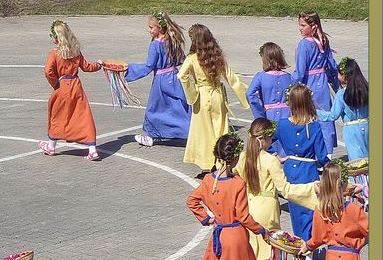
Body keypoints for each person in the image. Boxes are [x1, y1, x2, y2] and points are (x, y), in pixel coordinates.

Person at [236, 118, 318, 260]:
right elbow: (286, 190)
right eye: (271, 137)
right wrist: (311, 189)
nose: (273, 141)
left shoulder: (242, 157)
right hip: (266, 210)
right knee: (269, 255)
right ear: (265, 138)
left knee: (253, 254)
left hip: (248, 207)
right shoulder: (270, 160)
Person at [177, 24, 249, 177]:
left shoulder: (192, 58)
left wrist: (193, 92)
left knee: (204, 132)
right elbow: (232, 79)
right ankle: (221, 161)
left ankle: (208, 163)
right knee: (221, 129)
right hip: (217, 96)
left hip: (202, 97)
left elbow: (181, 76)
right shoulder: (217, 56)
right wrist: (246, 98)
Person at [278, 83, 330, 260]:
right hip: (308, 171)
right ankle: (309, 252)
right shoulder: (314, 127)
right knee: (310, 212)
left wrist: (277, 157)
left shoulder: (282, 124)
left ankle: (303, 251)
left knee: (297, 214)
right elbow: (322, 155)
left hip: (291, 172)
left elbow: (267, 140)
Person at [125, 11, 190, 147]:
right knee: (178, 106)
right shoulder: (172, 40)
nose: (149, 30)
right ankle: (191, 131)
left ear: (159, 28)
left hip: (161, 80)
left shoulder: (155, 45)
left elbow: (149, 66)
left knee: (155, 108)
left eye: (151, 27)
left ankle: (151, 136)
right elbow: (181, 59)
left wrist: (128, 69)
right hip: (174, 77)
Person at [39, 20, 103, 161]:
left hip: (62, 86)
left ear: (56, 37)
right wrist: (99, 65)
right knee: (83, 115)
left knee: (57, 115)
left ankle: (51, 146)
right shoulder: (76, 52)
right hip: (76, 86)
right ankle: (92, 149)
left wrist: (55, 83)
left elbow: (48, 71)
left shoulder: (54, 54)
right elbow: (87, 67)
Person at [293, 12, 341, 152]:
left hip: (310, 84)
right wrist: (336, 84)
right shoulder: (324, 40)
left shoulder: (304, 44)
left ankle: (314, 150)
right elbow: (331, 65)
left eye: (303, 25)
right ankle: (328, 151)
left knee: (309, 117)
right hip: (322, 84)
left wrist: (291, 86)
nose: (300, 28)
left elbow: (300, 71)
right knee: (325, 118)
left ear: (313, 26)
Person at [317, 57, 368, 163]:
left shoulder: (342, 94)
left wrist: (314, 112)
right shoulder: (366, 89)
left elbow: (332, 116)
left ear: (344, 76)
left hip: (352, 130)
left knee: (357, 161)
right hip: (367, 125)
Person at [246, 42, 293, 128]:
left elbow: (250, 94)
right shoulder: (289, 77)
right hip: (288, 115)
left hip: (269, 116)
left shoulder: (260, 76)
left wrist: (259, 114)